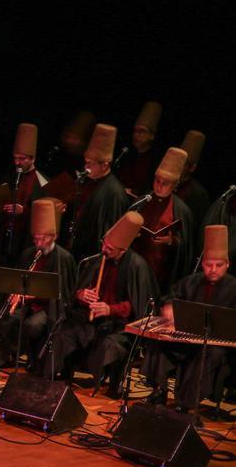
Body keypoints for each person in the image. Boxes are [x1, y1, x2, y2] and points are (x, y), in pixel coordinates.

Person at [54, 211, 158, 397]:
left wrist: (111, 309)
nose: (104, 249)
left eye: (110, 248)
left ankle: (111, 386)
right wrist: (81, 294)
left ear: (122, 250)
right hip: (91, 320)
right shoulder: (99, 259)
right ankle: (64, 376)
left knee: (109, 344)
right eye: (104, 244)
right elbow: (77, 289)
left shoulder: (137, 266)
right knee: (66, 333)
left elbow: (138, 305)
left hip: (119, 326)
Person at [144, 226, 235, 411]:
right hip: (187, 339)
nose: (213, 270)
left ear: (227, 265)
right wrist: (168, 307)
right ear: (202, 264)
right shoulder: (191, 281)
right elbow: (171, 296)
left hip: (217, 346)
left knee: (208, 355)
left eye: (218, 265)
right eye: (209, 265)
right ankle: (159, 390)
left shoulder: (234, 287)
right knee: (160, 344)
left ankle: (186, 404)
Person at [0, 198, 77, 373]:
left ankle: (31, 359)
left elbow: (64, 293)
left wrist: (34, 295)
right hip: (28, 304)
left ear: (54, 236)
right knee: (1, 317)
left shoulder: (63, 258)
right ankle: (7, 356)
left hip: (49, 307)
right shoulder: (29, 253)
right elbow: (17, 279)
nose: (39, 244)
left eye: (44, 239)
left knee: (32, 325)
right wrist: (15, 292)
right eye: (36, 239)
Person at [130, 147, 196, 293]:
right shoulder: (143, 201)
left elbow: (186, 248)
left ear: (174, 185)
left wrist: (171, 241)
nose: (159, 186)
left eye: (165, 183)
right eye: (157, 181)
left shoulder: (181, 210)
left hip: (160, 267)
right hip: (135, 260)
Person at [60, 123, 130, 261]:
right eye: (85, 162)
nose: (86, 167)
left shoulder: (114, 193)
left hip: (91, 255)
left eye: (90, 163)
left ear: (104, 165)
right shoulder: (88, 181)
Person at [0, 123, 48, 265]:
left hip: (26, 243)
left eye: (22, 159)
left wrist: (23, 211)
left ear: (33, 158)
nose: (17, 162)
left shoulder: (42, 183)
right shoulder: (8, 178)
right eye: (15, 158)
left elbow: (45, 216)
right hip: (3, 241)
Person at [116, 101, 163, 198]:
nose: (136, 135)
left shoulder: (156, 160)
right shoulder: (126, 153)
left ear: (152, 136)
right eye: (135, 131)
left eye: (142, 131)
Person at [175, 130, 212, 230]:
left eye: (182, 163)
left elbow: (195, 227)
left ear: (192, 168)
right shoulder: (166, 182)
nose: (177, 166)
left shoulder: (198, 193)